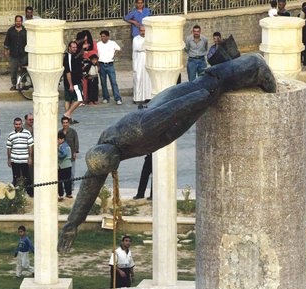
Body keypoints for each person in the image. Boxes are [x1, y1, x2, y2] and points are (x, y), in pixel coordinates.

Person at [57, 54, 277, 253]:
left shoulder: (139, 131)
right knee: (208, 85)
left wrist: (204, 99)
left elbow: (178, 107)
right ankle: (229, 61)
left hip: (171, 106)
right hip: (161, 112)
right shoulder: (104, 148)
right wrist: (72, 225)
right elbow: (90, 186)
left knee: (212, 84)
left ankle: (254, 66)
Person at [5, 117, 33, 197]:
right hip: (14, 160)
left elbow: (30, 146)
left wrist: (30, 157)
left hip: (24, 160)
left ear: (21, 124)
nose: (18, 126)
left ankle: (30, 193)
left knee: (27, 177)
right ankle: (17, 194)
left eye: (19, 124)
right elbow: (9, 147)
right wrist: (9, 159)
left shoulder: (27, 133)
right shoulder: (11, 134)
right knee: (16, 177)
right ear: (14, 125)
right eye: (16, 124)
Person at [97, 30, 123, 105]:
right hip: (101, 64)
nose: (102, 38)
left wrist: (114, 55)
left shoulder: (112, 43)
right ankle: (106, 97)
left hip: (110, 64)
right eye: (101, 36)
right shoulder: (98, 44)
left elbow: (118, 49)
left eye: (104, 36)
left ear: (108, 37)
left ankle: (117, 98)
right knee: (103, 82)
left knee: (113, 82)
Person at [3, 15, 27, 91]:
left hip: (23, 54)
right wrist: (6, 50)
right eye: (17, 21)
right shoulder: (10, 30)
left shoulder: (25, 31)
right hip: (13, 54)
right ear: (15, 21)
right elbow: (7, 41)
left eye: (19, 21)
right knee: (13, 70)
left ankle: (23, 84)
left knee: (23, 70)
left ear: (22, 22)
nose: (18, 22)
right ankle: (14, 84)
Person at [63, 40, 84, 120]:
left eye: (76, 47)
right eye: (73, 47)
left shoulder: (72, 56)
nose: (75, 49)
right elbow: (68, 71)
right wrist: (71, 84)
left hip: (71, 81)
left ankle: (68, 119)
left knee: (68, 99)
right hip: (74, 82)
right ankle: (67, 114)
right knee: (79, 99)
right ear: (69, 48)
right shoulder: (68, 57)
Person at [132, 26, 152, 104]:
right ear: (139, 31)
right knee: (138, 78)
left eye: (144, 31)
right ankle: (137, 98)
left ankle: (148, 97)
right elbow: (138, 48)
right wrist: (145, 48)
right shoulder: (135, 39)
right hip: (138, 62)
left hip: (147, 62)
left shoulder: (149, 38)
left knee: (148, 79)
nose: (143, 32)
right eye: (141, 30)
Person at [59, 116, 79, 186]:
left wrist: (75, 152)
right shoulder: (60, 132)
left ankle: (72, 187)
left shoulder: (73, 131)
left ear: (69, 123)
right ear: (62, 123)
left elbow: (76, 141)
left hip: (71, 156)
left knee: (72, 173)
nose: (65, 124)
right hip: (62, 157)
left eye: (66, 122)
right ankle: (65, 188)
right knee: (63, 173)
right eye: (64, 123)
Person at [57, 131, 73, 200]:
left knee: (60, 181)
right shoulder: (67, 145)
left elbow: (64, 154)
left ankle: (61, 195)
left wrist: (57, 155)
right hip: (68, 165)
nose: (57, 141)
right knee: (67, 180)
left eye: (58, 139)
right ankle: (68, 194)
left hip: (63, 166)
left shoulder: (62, 146)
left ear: (61, 139)